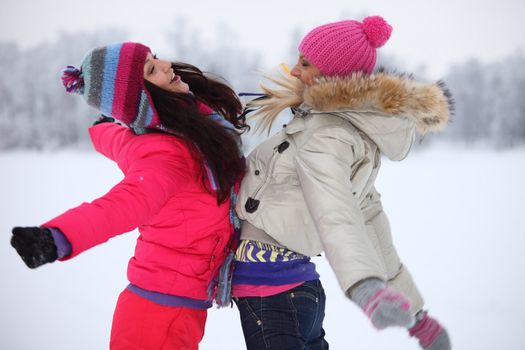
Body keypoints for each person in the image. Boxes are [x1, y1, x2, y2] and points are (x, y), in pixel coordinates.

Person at [232, 16, 452, 349]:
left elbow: (336, 213)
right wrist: (418, 319)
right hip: (299, 290)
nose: (294, 71)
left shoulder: (326, 136)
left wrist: (365, 286)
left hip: (272, 292)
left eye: (305, 64)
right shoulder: (344, 131)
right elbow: (370, 221)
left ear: (332, 75)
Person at [10, 42, 246, 349]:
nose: (165, 66)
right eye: (151, 69)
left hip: (169, 305)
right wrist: (57, 237)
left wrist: (101, 130)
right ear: (142, 101)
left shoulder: (165, 134)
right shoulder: (166, 155)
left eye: (156, 58)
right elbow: (121, 206)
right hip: (157, 317)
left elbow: (117, 140)